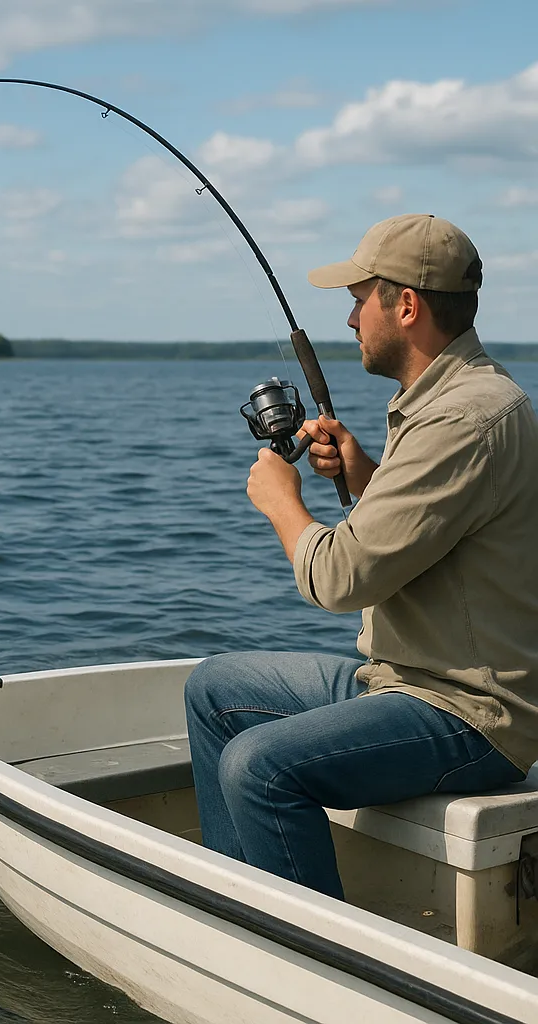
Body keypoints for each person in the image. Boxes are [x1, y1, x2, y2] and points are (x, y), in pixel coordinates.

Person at [184, 213, 538, 901]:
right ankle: (237, 907)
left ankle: (311, 966)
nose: (349, 320)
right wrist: (365, 475)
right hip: (405, 682)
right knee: (215, 691)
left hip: (468, 715)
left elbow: (339, 578)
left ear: (405, 306)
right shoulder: (450, 400)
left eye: (358, 298)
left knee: (258, 766)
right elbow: (439, 538)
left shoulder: (461, 419)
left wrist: (282, 501)